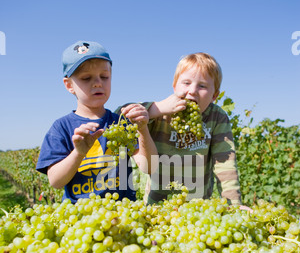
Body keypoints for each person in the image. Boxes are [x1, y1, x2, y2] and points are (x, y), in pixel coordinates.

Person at [36, 40, 158, 203]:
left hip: (123, 216)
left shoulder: (121, 123)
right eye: (86, 78)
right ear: (69, 85)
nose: (98, 83)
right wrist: (79, 153)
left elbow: (150, 167)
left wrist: (143, 130)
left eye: (104, 76)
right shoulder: (61, 128)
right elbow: (56, 181)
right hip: (82, 220)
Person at [121, 52, 241, 205]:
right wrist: (156, 109)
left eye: (202, 86)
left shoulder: (216, 117)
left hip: (197, 209)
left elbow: (225, 164)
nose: (192, 91)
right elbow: (120, 116)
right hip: (157, 207)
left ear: (214, 96)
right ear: (174, 86)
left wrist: (234, 205)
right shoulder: (160, 113)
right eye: (186, 83)